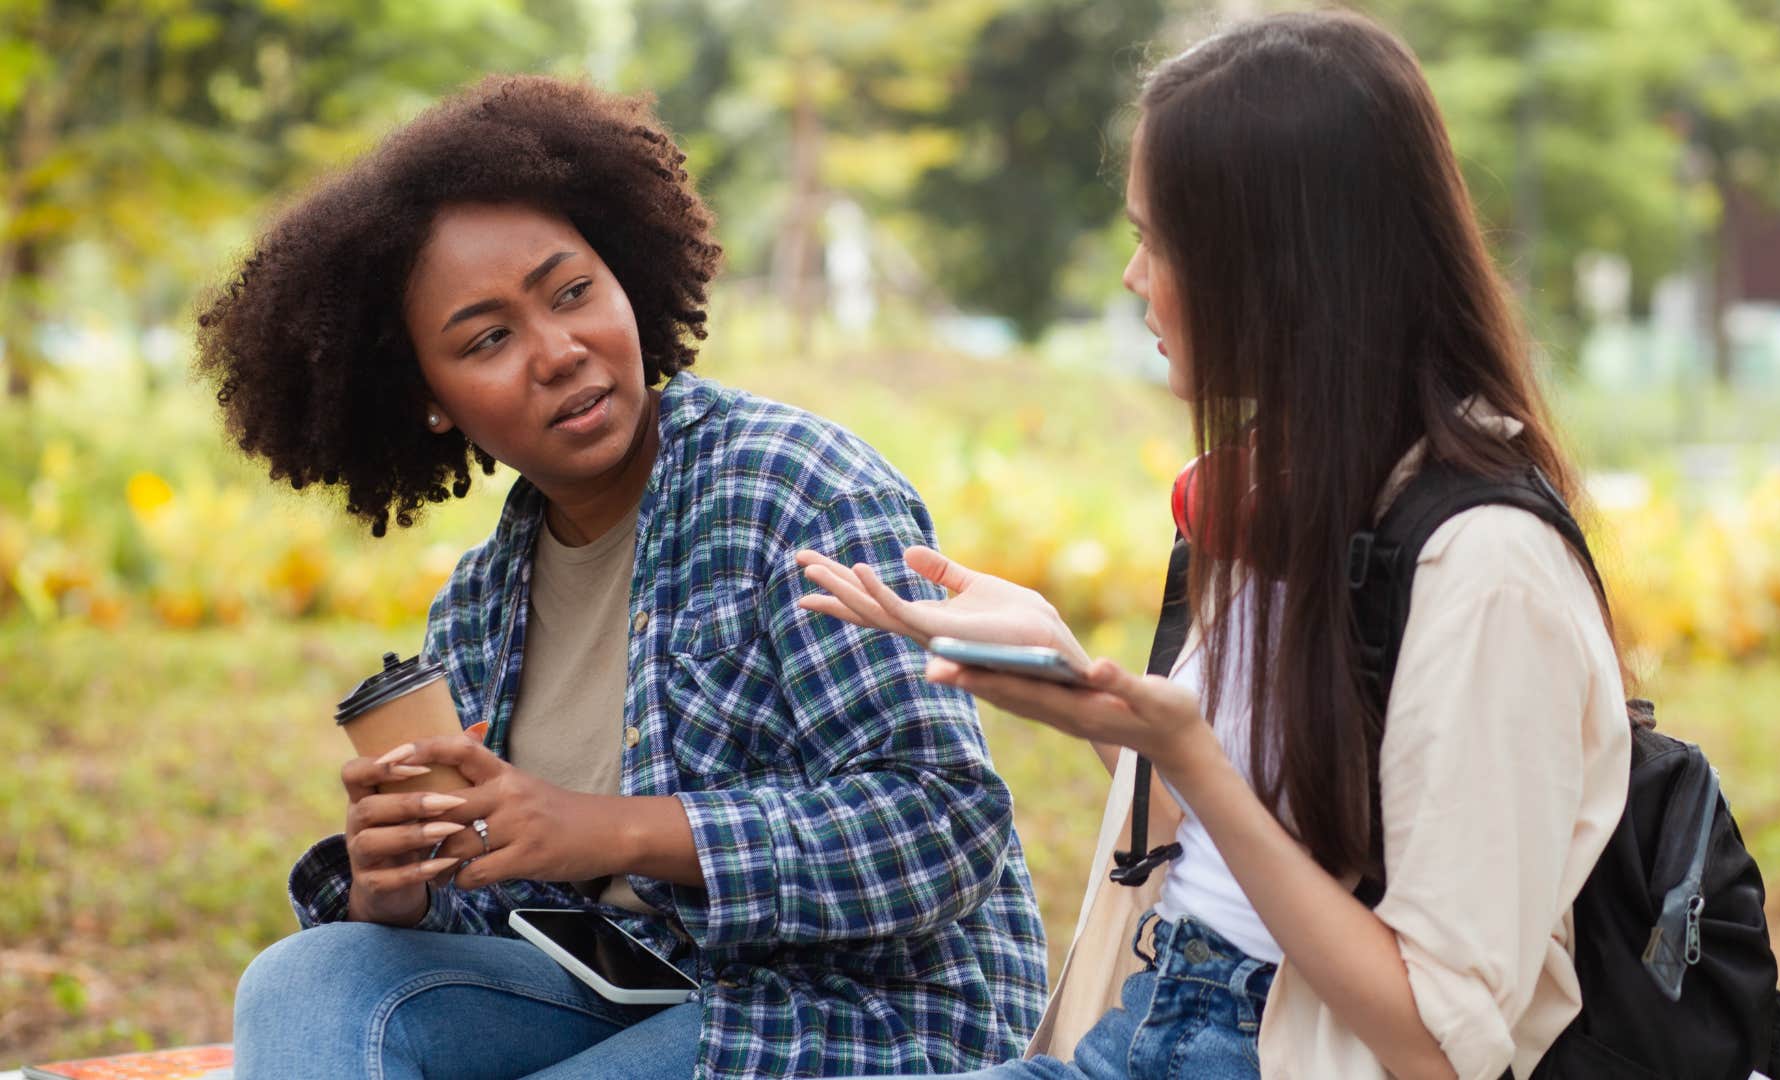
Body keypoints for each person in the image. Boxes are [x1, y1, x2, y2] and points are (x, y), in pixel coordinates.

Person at [796, 11, 1631, 1080]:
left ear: (1278, 269)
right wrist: (1075, 676)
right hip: (1153, 1013)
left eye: (1159, 239)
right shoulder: (1291, 497)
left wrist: (1184, 751)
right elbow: (1251, 846)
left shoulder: (1488, 571)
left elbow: (1437, 1042)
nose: (1136, 277)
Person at [203, 75, 1045, 1080]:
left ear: (627, 278)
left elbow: (942, 826)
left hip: (850, 1018)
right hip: (628, 1003)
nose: (558, 352)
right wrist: (405, 896)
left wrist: (610, 830)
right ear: (427, 399)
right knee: (305, 979)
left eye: (572, 293)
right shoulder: (477, 610)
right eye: (487, 339)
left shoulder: (794, 490)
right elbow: (518, 907)